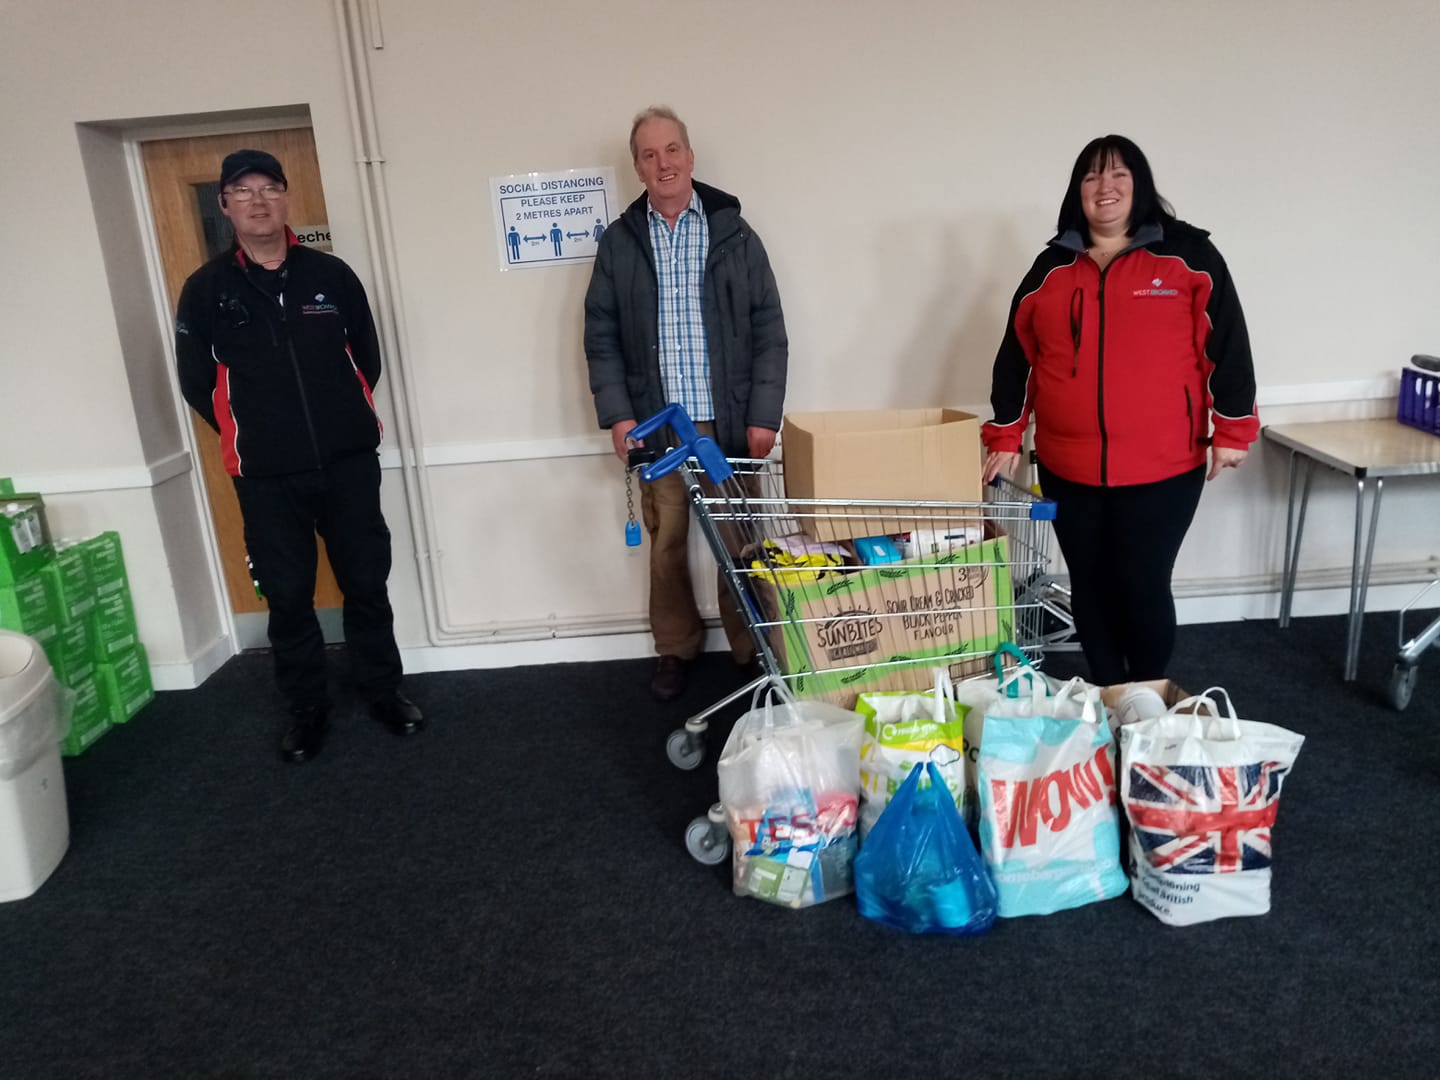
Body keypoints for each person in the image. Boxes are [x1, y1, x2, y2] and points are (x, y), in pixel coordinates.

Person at [981, 135, 1258, 687]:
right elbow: (1017, 359)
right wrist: (1006, 436)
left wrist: (1232, 428)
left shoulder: (1189, 257)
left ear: (1140, 186)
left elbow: (1227, 345)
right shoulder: (1050, 269)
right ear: (1077, 192)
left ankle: (1150, 689)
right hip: (1068, 464)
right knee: (1088, 582)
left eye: (1118, 176)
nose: (1104, 188)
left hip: (1164, 466)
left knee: (1143, 581)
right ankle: (1110, 691)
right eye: (1091, 177)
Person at [175, 149, 423, 763]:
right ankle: (307, 709)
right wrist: (256, 431)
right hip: (264, 476)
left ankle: (382, 691)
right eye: (243, 189)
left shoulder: (332, 276)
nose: (259, 200)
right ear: (225, 203)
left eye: (270, 188)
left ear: (287, 198)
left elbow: (365, 358)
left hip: (346, 464)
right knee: (288, 596)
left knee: (367, 582)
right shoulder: (206, 290)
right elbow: (196, 382)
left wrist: (339, 419)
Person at [584, 106, 788, 701]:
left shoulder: (733, 232)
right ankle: (675, 648)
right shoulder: (622, 242)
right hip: (658, 426)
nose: (663, 163)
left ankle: (751, 650)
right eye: (649, 154)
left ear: (690, 157)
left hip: (728, 425)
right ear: (637, 167)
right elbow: (600, 334)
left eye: (672, 150)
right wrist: (620, 415)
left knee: (740, 545)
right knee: (667, 544)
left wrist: (761, 417)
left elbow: (768, 328)